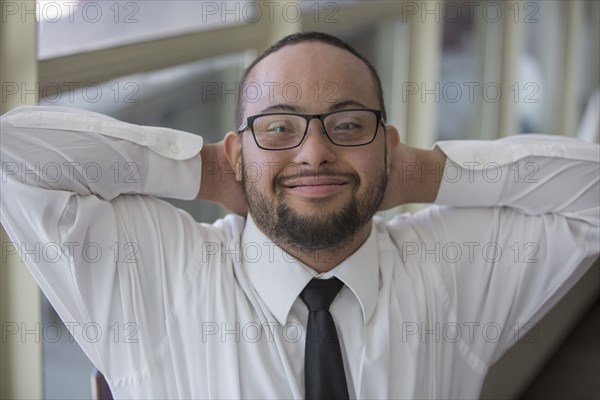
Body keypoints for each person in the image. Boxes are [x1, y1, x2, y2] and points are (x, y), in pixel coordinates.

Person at [1, 31, 598, 399]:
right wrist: (205, 171)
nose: (314, 151)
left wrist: (421, 173)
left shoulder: (447, 270)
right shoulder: (157, 274)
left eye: (347, 125)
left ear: (386, 145)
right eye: (278, 128)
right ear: (238, 152)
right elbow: (14, 157)